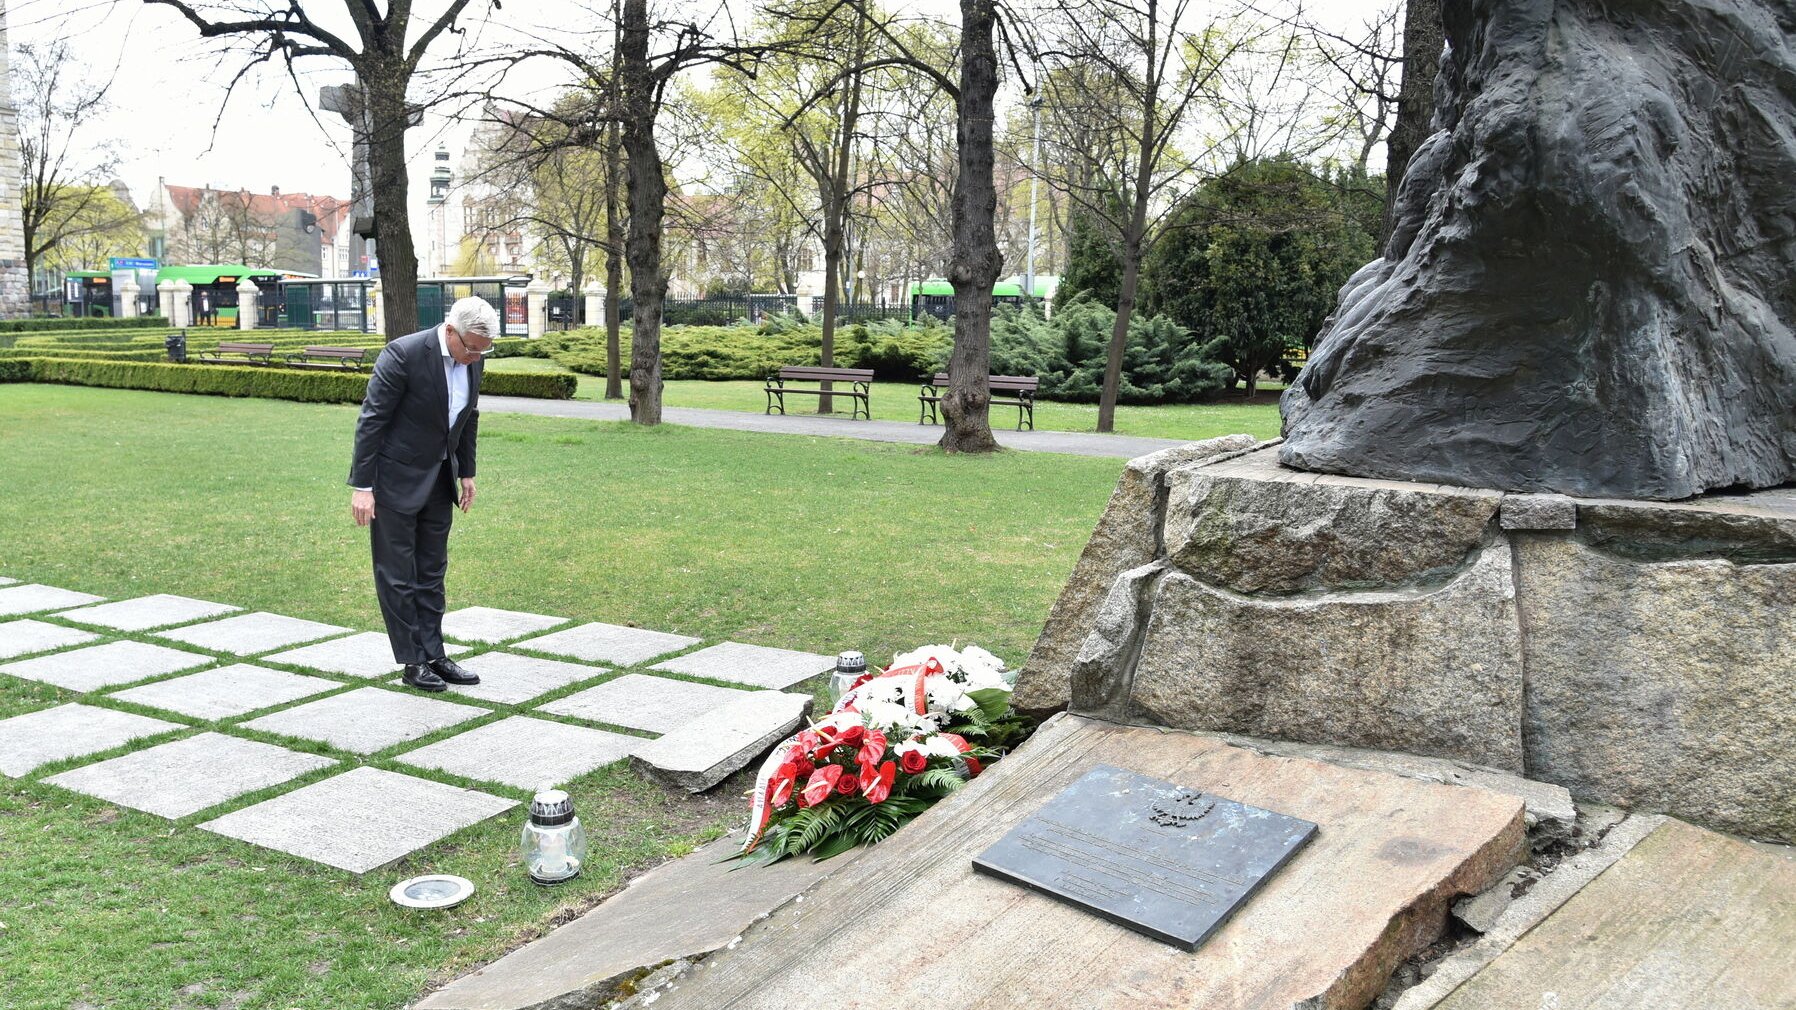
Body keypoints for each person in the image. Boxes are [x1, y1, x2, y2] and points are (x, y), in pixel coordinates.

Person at [347, 297, 497, 692]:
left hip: (439, 481)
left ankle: (435, 654)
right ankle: (412, 661)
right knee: (397, 575)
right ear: (451, 331)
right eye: (472, 348)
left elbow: (469, 418)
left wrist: (467, 472)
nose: (477, 357)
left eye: (484, 350)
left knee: (432, 573)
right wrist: (363, 487)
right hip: (393, 482)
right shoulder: (403, 354)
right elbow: (372, 421)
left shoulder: (473, 359)